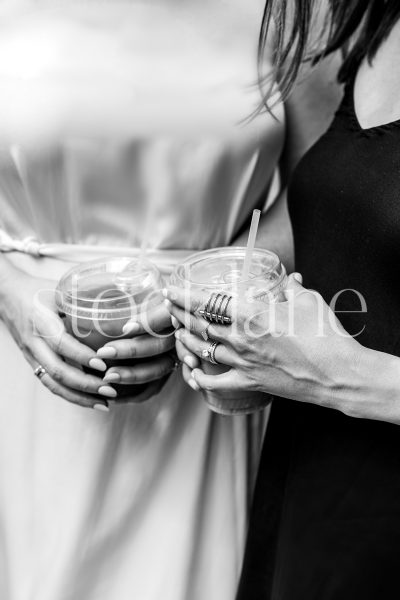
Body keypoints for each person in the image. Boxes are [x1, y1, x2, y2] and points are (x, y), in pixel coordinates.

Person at [0, 1, 287, 599]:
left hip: (212, 373)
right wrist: (8, 293)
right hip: (23, 370)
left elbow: (324, 185)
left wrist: (201, 305)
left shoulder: (294, 9)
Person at [165, 1, 400, 598]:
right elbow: (345, 208)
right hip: (317, 497)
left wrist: (339, 375)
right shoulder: (375, 18)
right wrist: (181, 294)